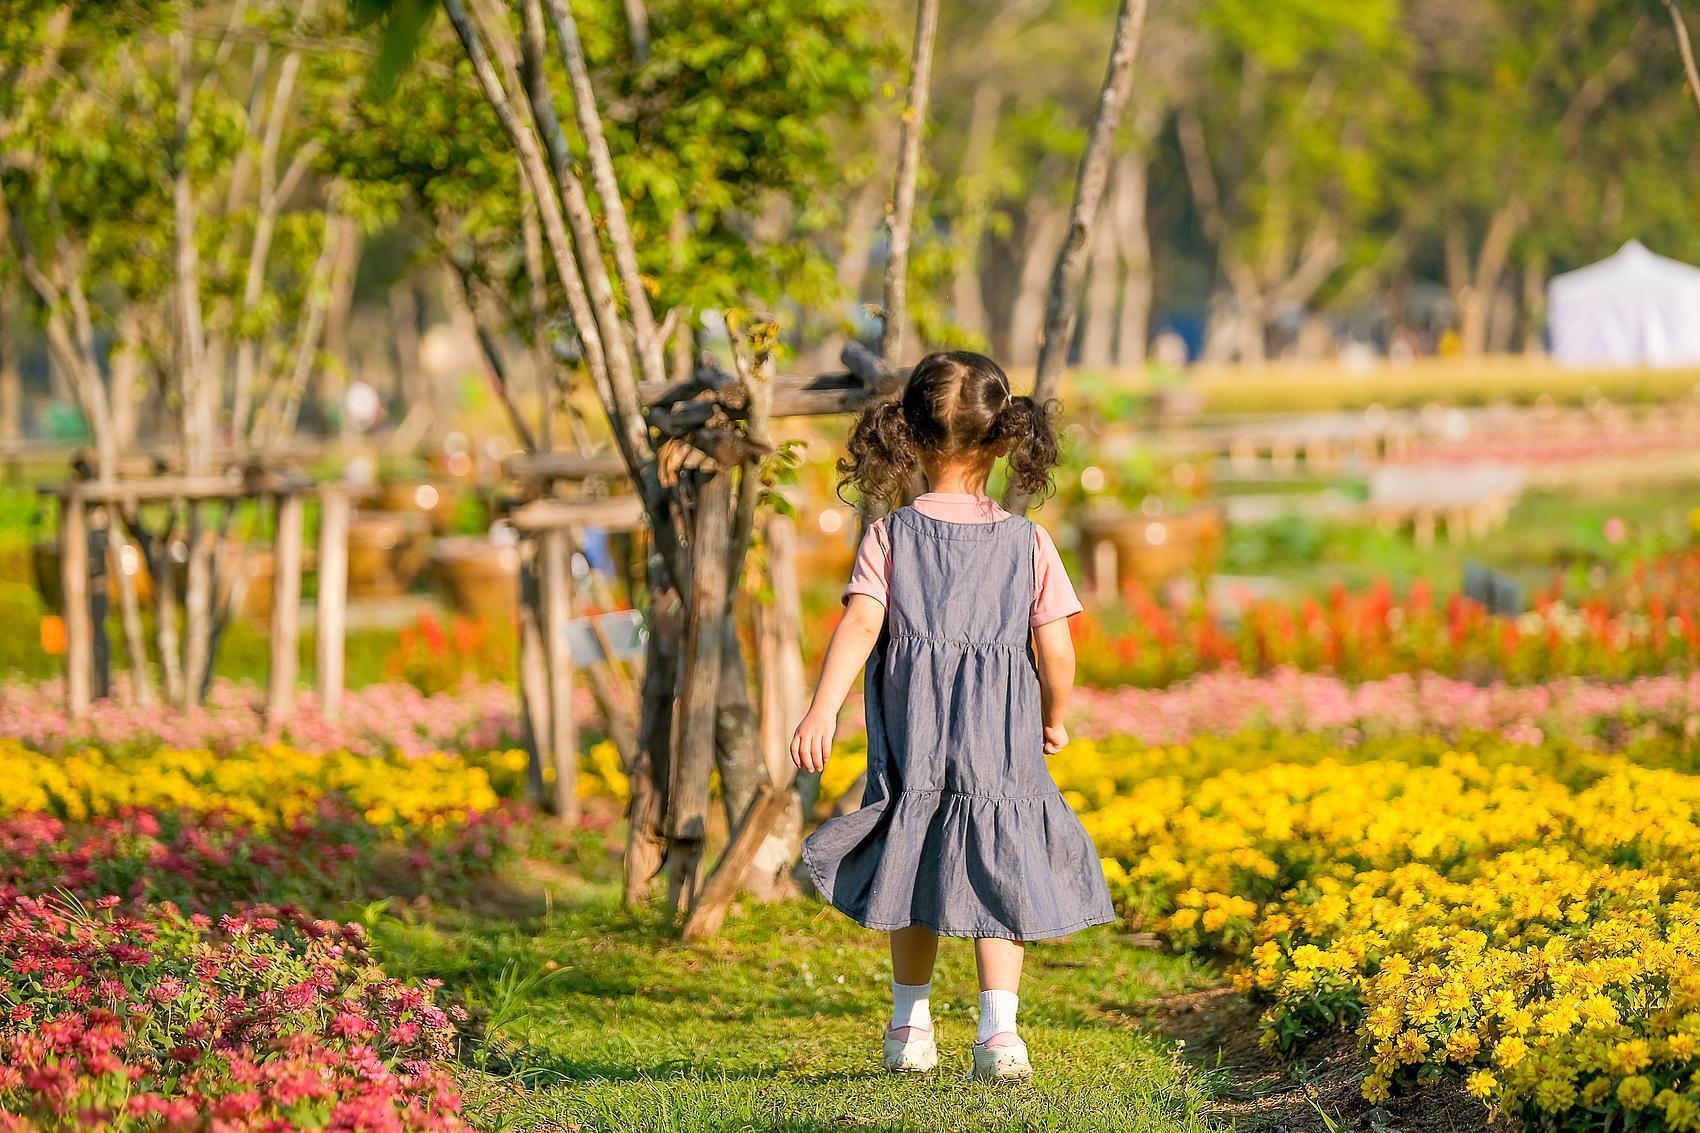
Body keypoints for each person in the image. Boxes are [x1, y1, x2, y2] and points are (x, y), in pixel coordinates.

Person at [792, 350, 1116, 1083]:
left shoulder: (890, 535)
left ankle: (911, 1023)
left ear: (906, 433)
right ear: (1005, 439)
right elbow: (1056, 648)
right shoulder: (1027, 541)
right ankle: (999, 1033)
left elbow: (860, 626)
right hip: (1000, 740)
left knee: (913, 856)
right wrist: (1053, 712)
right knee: (999, 863)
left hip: (918, 735)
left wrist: (821, 708)